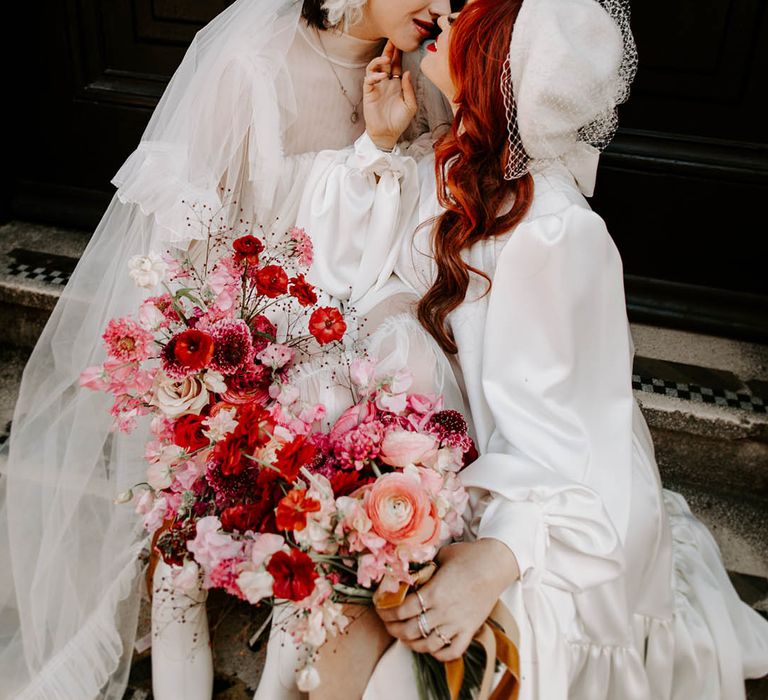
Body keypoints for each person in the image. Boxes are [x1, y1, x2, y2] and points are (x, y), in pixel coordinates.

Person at [286, 0, 768, 697]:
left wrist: (502, 554)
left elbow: (573, 435)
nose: (444, 16)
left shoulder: (554, 231)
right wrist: (380, 145)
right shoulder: (455, 165)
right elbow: (344, 271)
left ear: (495, 63)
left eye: (468, 18)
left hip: (547, 485)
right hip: (469, 450)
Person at [0, 2, 456, 698]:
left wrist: (384, 147)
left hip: (350, 336)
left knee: (392, 374)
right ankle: (181, 591)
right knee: (208, 522)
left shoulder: (422, 82)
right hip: (244, 330)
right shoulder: (252, 71)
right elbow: (186, 258)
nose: (443, 5)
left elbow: (405, 250)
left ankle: (292, 637)